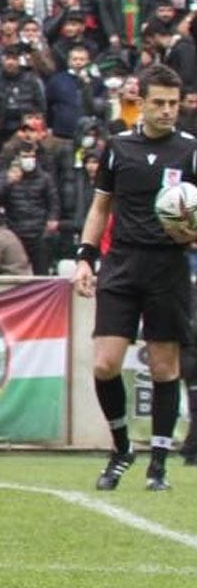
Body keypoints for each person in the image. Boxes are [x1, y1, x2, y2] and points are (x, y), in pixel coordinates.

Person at [73, 64, 197, 494]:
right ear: (140, 103)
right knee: (105, 364)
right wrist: (85, 258)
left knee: (164, 368)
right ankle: (122, 447)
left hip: (168, 267)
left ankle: (158, 465)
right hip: (122, 263)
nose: (167, 111)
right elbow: (100, 207)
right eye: (158, 102)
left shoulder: (190, 151)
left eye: (173, 103)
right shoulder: (118, 148)